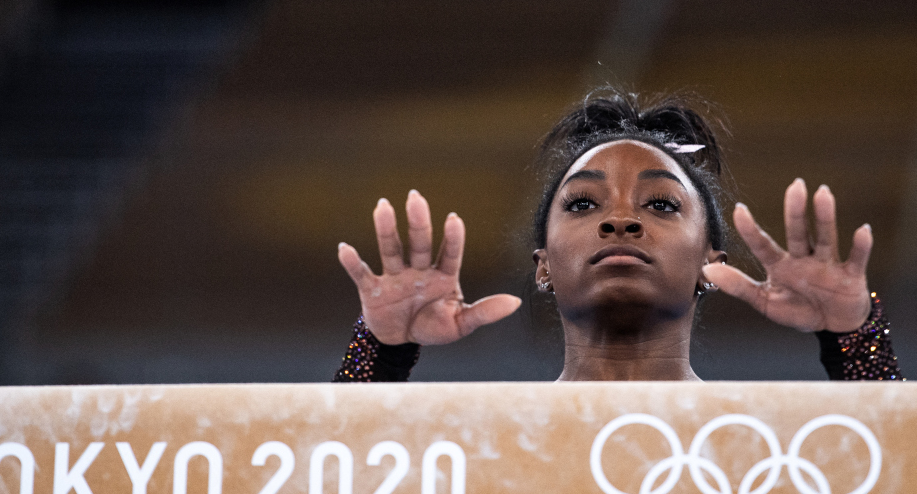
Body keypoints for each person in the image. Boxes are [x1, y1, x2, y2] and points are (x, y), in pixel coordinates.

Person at [332, 89, 903, 382]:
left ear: (712, 262)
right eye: (583, 203)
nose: (621, 221)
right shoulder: (482, 434)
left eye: (660, 204)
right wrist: (382, 350)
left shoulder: (766, 441)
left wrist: (853, 339)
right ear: (543, 265)